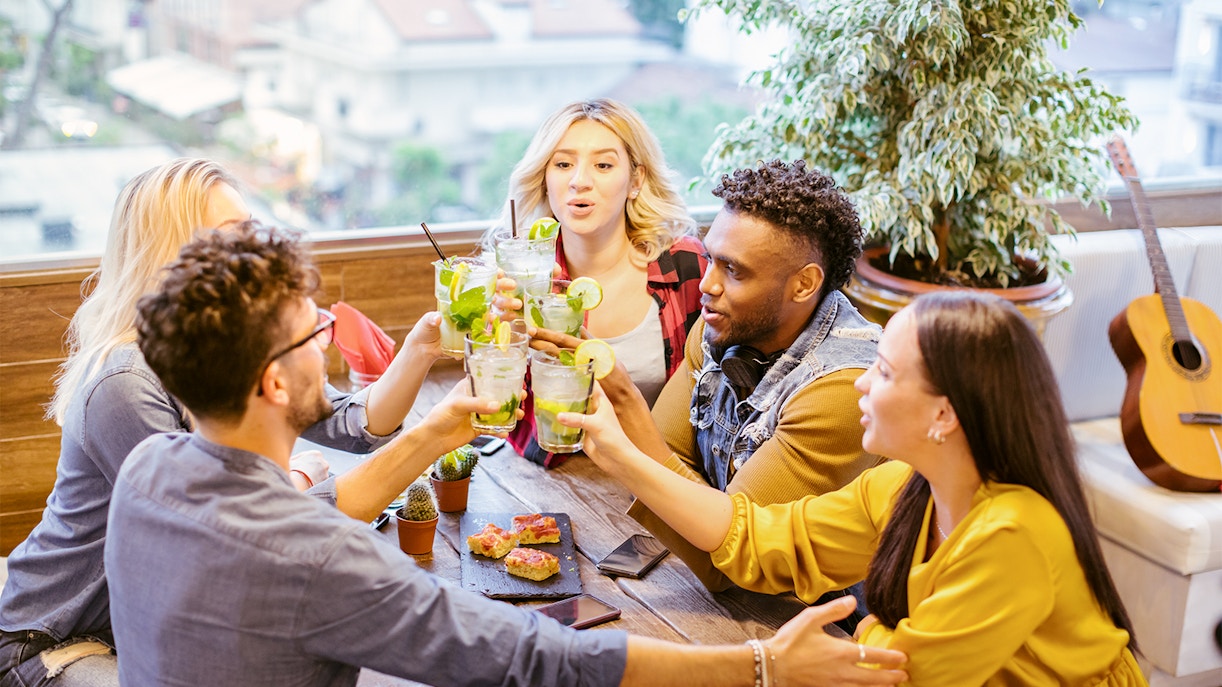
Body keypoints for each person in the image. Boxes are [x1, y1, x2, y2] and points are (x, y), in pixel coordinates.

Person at [104, 221, 908, 687]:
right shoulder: (313, 561)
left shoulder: (153, 469)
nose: (331, 343)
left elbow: (304, 517)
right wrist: (764, 662)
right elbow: (533, 655)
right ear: (276, 384)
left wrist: (438, 430)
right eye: (317, 334)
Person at [0, 158, 449, 686]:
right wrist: (303, 480)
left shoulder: (233, 346)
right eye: (233, 239)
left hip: (152, 621)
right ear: (174, 256)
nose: (253, 255)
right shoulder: (123, 384)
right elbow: (222, 542)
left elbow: (352, 425)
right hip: (59, 641)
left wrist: (420, 349)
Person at [563, 290, 1147, 685]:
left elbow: (901, 673)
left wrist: (867, 627)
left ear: (944, 415)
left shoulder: (1013, 532)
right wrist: (622, 459)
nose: (862, 382)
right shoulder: (902, 488)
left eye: (886, 372)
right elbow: (762, 539)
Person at [535, 159, 885, 594]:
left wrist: (624, 400)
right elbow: (668, 462)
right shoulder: (723, 325)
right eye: (711, 260)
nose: (706, 285)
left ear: (803, 284)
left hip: (829, 622)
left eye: (733, 271)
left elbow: (732, 563)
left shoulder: (842, 390)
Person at [490, 98, 707, 466]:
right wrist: (502, 345)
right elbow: (495, 409)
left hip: (664, 475)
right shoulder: (519, 277)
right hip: (556, 476)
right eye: (563, 164)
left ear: (635, 181)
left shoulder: (687, 266)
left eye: (603, 165)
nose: (579, 182)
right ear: (544, 180)